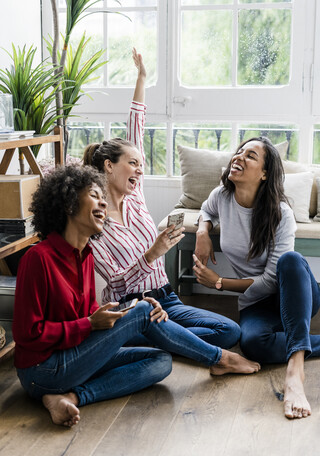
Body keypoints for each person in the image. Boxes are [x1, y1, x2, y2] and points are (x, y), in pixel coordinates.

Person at [12, 165, 260, 427]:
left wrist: (124, 312)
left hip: (75, 357)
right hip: (42, 370)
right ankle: (219, 358)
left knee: (160, 360)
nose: (102, 202)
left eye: (102, 198)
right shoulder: (38, 259)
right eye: (94, 195)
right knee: (143, 311)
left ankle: (71, 397)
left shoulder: (85, 255)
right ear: (68, 203)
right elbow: (27, 333)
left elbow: (89, 313)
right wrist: (93, 323)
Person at [83, 48, 241, 350]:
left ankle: (159, 340)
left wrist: (142, 77)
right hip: (131, 308)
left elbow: (136, 129)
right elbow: (114, 285)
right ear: (109, 165)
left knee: (229, 331)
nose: (140, 170)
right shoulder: (93, 219)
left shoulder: (136, 196)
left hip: (166, 297)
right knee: (210, 337)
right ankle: (150, 335)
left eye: (141, 164)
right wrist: (152, 254)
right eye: (133, 163)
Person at [193, 136, 320, 420]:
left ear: (264, 174)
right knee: (252, 345)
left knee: (291, 260)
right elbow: (206, 209)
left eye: (250, 155)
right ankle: (305, 340)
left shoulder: (281, 214)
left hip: (294, 292)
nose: (238, 157)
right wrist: (203, 232)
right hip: (257, 303)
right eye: (238, 151)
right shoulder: (222, 196)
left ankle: (296, 369)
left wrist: (219, 282)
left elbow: (272, 280)